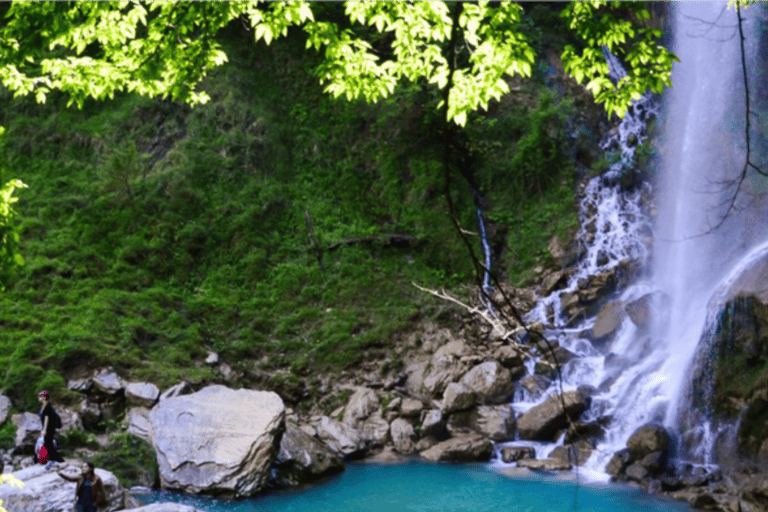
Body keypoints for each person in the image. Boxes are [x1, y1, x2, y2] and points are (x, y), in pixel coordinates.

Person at [37, 390, 64, 469]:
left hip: (49, 428)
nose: (39, 398)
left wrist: (44, 429)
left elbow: (47, 418)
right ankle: (56, 459)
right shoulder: (45, 405)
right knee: (48, 443)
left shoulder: (48, 406)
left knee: (48, 444)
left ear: (44, 397)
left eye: (40, 396)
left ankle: (53, 460)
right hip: (48, 428)